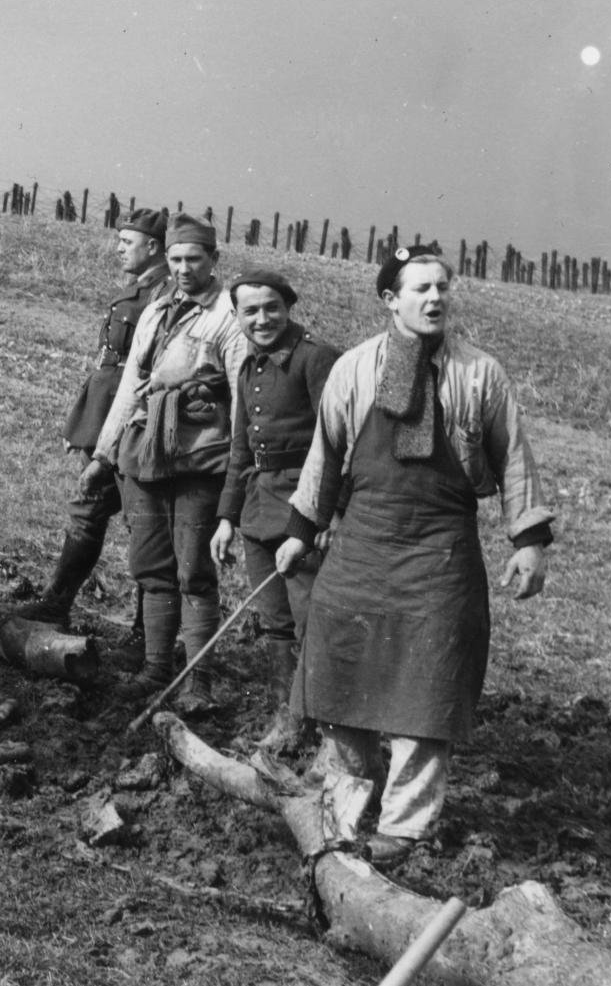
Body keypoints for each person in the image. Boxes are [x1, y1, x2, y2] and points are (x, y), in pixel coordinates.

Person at [275, 247, 552, 866]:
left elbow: (513, 459)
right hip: (363, 546)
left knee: (428, 686)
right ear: (390, 300)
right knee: (338, 673)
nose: (435, 299)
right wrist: (300, 530)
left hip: (440, 553)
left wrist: (528, 541)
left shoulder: (480, 375)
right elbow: (324, 455)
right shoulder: (353, 369)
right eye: (421, 289)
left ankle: (404, 828)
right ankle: (347, 801)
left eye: (442, 288)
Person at [93, 212, 248, 705]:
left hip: (200, 459)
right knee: (151, 566)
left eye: (194, 259)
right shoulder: (157, 309)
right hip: (145, 454)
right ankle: (156, 669)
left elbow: (243, 402)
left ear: (214, 259)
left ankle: (197, 682)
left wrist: (237, 478)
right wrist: (104, 453)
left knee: (193, 572)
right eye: (176, 259)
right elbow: (130, 385)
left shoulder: (229, 317)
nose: (183, 269)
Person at [15, 206, 171, 630]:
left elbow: (142, 374)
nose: (118, 249)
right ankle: (57, 605)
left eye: (127, 242)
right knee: (88, 510)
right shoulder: (136, 291)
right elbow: (107, 368)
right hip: (107, 421)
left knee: (143, 528)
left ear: (153, 247)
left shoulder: (164, 297)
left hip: (138, 429)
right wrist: (85, 425)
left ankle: (145, 633)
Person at [208, 268, 340, 752]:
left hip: (304, 510)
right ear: (237, 316)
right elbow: (241, 450)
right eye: (250, 311)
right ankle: (287, 723)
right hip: (259, 512)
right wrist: (227, 518)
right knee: (276, 623)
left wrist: (327, 516)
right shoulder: (249, 366)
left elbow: (340, 442)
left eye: (272, 308)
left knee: (312, 623)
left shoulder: (315, 358)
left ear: (288, 308)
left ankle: (328, 733)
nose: (262, 319)